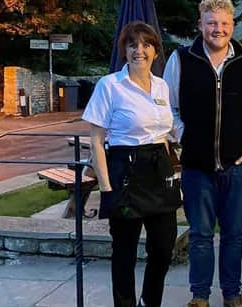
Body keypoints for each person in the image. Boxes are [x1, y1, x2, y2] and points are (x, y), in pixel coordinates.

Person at [163, 0, 242, 307]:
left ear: (233, 25)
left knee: (234, 235)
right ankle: (200, 296)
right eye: (211, 23)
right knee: (201, 235)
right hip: (197, 166)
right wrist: (184, 135)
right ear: (200, 25)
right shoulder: (180, 59)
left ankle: (232, 293)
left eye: (223, 23)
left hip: (238, 165)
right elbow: (168, 108)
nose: (217, 29)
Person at [83, 21, 181, 307]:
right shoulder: (110, 85)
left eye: (146, 44)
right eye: (132, 45)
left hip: (158, 171)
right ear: (124, 50)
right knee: (124, 252)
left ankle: (149, 301)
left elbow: (167, 128)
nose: (139, 50)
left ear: (155, 51)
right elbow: (96, 140)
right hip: (123, 171)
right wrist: (105, 186)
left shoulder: (162, 86)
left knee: (163, 248)